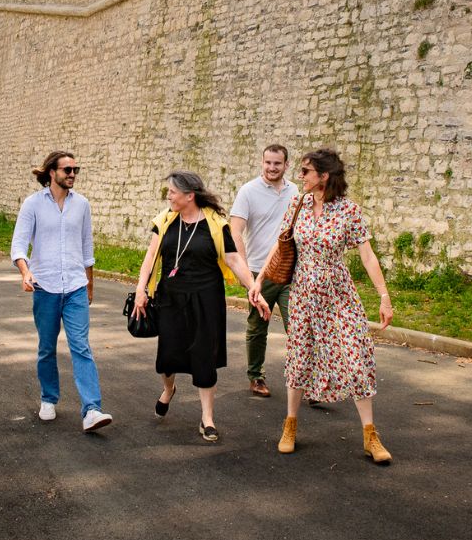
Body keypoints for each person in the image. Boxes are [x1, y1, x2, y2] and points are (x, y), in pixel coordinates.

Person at [253, 148, 396, 464]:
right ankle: (290, 425)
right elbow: (281, 245)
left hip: (339, 295)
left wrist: (384, 297)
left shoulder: (349, 211)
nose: (300, 176)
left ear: (324, 176)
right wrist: (258, 281)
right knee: (300, 359)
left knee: (357, 358)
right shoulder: (298, 204)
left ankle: (370, 435)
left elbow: (368, 256)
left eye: (305, 171)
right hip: (303, 295)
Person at [131, 171, 265, 443]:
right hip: (170, 298)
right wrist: (140, 290)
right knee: (168, 356)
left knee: (204, 356)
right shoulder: (165, 221)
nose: (168, 196)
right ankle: (168, 390)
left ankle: (207, 419)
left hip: (206, 299)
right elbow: (150, 257)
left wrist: (252, 287)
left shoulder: (217, 224)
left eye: (172, 192)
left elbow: (234, 260)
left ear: (189, 195)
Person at [11, 151, 113, 433]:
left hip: (76, 286)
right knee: (46, 347)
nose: (72, 174)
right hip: (45, 286)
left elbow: (87, 246)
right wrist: (25, 271)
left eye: (75, 169)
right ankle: (48, 397)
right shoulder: (32, 204)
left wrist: (89, 283)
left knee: (81, 346)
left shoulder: (82, 205)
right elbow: (19, 244)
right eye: (67, 169)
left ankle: (92, 409)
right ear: (51, 172)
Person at [229, 144, 299, 398]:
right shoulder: (248, 191)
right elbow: (235, 232)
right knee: (258, 327)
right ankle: (256, 376)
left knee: (300, 327)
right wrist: (246, 273)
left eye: (277, 163)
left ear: (286, 165)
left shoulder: (295, 191)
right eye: (268, 163)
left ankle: (303, 379)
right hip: (260, 272)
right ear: (262, 162)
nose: (272, 168)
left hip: (291, 271)